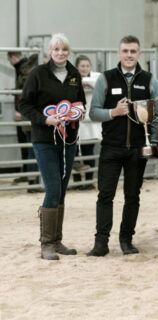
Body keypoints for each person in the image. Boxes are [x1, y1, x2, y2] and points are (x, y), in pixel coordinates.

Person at [87, 35, 158, 257]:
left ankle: (126, 240)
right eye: (125, 51)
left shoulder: (149, 80)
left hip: (137, 149)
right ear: (119, 53)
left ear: (139, 54)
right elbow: (93, 112)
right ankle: (101, 243)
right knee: (105, 195)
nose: (129, 55)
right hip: (111, 147)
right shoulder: (106, 79)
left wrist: (154, 141)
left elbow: (156, 114)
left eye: (133, 51)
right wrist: (114, 112)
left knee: (132, 196)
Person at [18, 33, 86, 260]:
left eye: (64, 49)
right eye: (56, 49)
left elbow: (80, 102)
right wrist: (44, 119)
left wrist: (79, 112)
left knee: (62, 190)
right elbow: (24, 104)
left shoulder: (74, 75)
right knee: (53, 188)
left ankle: (57, 241)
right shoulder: (38, 74)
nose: (60, 53)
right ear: (49, 52)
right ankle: (46, 243)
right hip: (45, 139)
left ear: (69, 52)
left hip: (69, 140)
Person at [8, 51, 40, 190]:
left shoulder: (23, 76)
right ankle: (33, 181)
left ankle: (31, 180)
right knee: (34, 150)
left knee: (31, 149)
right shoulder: (30, 77)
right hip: (32, 117)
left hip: (28, 117)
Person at [73, 54, 101, 190]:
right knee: (74, 153)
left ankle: (88, 182)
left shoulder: (97, 78)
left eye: (87, 66)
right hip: (75, 119)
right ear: (77, 67)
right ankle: (77, 181)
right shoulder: (71, 78)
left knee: (89, 150)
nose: (85, 68)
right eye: (82, 66)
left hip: (90, 121)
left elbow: (101, 86)